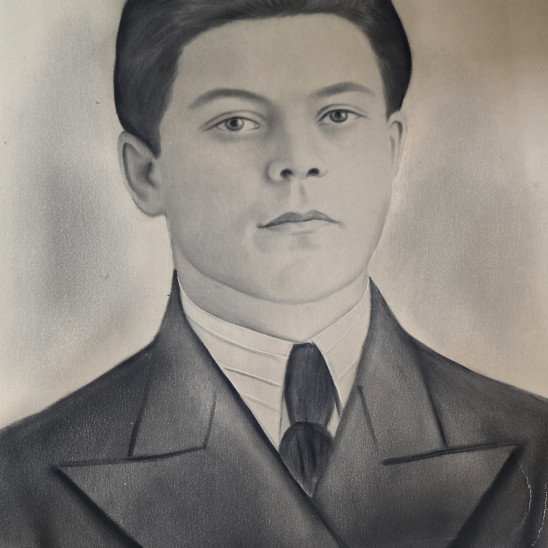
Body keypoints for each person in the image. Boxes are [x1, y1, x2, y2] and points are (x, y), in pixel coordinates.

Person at [1, 0, 547, 546]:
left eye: (337, 115)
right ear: (146, 173)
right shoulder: (21, 485)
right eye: (236, 122)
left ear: (391, 149)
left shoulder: (536, 449)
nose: (296, 159)